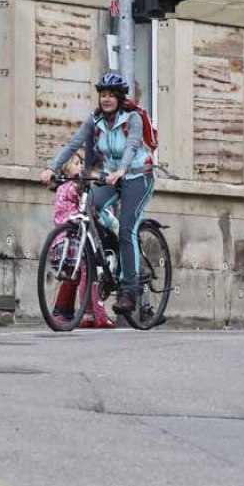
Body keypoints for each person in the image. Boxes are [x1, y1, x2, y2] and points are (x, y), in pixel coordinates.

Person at [40, 72, 155, 316]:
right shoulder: (95, 120)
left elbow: (133, 145)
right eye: (103, 94)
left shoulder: (131, 118)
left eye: (111, 95)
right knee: (90, 205)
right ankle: (110, 251)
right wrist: (51, 167)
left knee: (127, 229)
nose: (106, 99)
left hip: (137, 175)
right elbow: (74, 143)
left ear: (120, 98)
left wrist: (122, 169)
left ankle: (129, 290)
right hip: (112, 176)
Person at [50, 152, 114, 328]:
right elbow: (80, 193)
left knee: (72, 276)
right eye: (76, 163)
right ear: (66, 168)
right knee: (85, 272)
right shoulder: (70, 186)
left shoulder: (61, 187)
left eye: (80, 163)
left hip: (62, 239)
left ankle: (64, 312)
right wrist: (92, 178)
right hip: (74, 237)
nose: (79, 166)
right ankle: (89, 313)